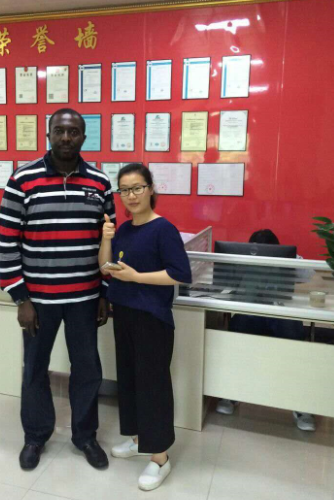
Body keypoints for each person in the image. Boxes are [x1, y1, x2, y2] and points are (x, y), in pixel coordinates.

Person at [0, 108, 116, 471]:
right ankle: (35, 436)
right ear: (48, 134)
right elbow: (6, 240)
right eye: (59, 131)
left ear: (84, 137)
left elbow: (107, 242)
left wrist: (104, 292)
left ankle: (85, 436)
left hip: (85, 298)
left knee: (88, 370)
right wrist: (20, 297)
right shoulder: (23, 178)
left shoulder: (100, 182)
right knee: (35, 368)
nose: (66, 137)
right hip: (38, 300)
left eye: (73, 131)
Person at [99, 164, 192, 491]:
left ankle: (160, 458)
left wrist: (137, 277)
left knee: (153, 386)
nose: (131, 195)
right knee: (129, 380)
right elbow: (105, 267)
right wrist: (106, 239)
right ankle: (139, 439)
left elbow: (180, 273)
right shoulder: (124, 229)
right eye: (124, 190)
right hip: (123, 313)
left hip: (152, 319)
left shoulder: (163, 229)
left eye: (137, 187)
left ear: (151, 189)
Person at [216, 229, 316, 432]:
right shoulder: (243, 259)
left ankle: (302, 405)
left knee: (295, 342)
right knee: (236, 331)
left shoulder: (290, 259)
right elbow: (223, 279)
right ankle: (231, 393)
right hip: (251, 312)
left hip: (280, 314)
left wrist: (293, 280)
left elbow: (315, 278)